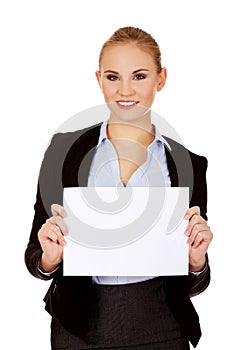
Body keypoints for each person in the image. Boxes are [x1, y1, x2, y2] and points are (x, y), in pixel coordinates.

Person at [25, 26, 213, 349]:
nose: (125, 90)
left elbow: (193, 282)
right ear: (99, 80)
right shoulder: (63, 152)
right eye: (113, 77)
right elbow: (34, 257)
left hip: (163, 329)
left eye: (139, 76)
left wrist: (197, 261)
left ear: (161, 79)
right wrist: (49, 258)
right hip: (79, 330)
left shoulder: (190, 166)